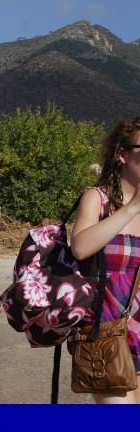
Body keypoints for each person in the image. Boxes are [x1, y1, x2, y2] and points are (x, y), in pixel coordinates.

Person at [71, 117, 140, 404]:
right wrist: (132, 207)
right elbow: (80, 247)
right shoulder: (96, 199)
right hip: (107, 333)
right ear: (122, 154)